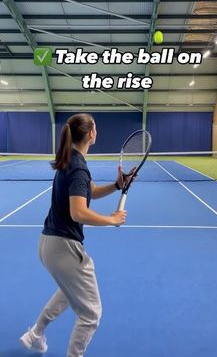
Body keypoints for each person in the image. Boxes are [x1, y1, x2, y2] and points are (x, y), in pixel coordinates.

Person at [19, 113, 127, 356]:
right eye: (95, 128)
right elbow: (78, 212)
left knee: (70, 291)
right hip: (63, 248)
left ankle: (36, 333)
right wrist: (112, 219)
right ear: (91, 134)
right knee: (91, 314)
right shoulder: (78, 167)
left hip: (48, 245)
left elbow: (90, 193)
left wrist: (117, 185)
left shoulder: (71, 161)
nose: (96, 131)